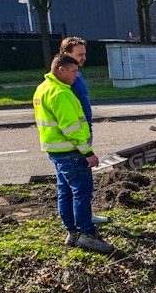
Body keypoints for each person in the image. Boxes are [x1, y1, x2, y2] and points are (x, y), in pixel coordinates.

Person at [33, 52, 113, 254]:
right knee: (82, 193)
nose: (77, 75)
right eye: (74, 71)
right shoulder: (61, 94)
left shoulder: (43, 89)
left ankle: (72, 232)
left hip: (56, 151)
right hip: (71, 152)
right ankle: (87, 234)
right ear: (61, 70)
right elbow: (71, 128)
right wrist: (88, 152)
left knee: (65, 191)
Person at [59, 37, 109, 227]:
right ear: (66, 55)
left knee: (69, 185)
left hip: (82, 132)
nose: (84, 58)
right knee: (78, 185)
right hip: (75, 137)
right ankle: (82, 224)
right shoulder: (65, 79)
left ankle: (79, 219)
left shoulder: (77, 75)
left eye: (84, 54)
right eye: (80, 54)